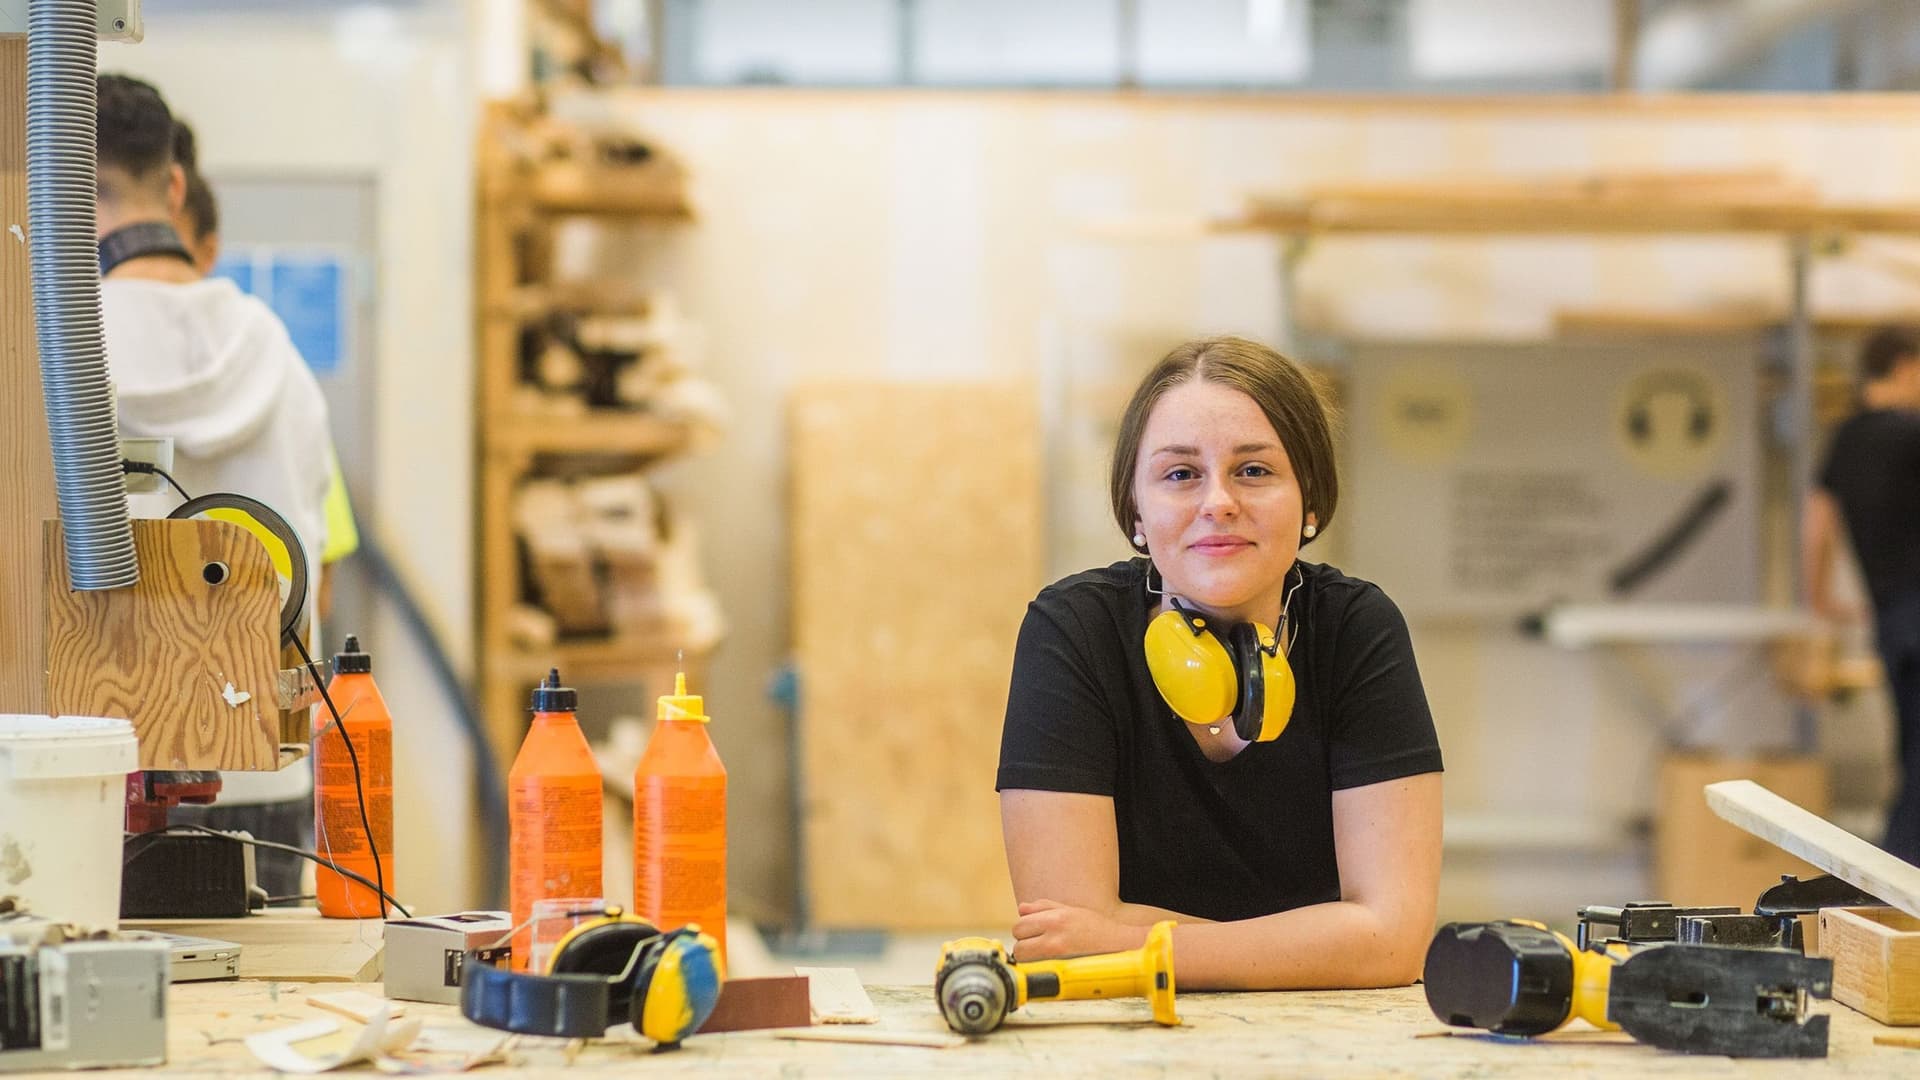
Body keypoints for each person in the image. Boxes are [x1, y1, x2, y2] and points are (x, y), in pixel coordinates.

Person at [997, 336, 1443, 990]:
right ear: (1136, 510)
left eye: (1254, 470)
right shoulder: (1072, 631)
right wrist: (1324, 945)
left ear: (1311, 500)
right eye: (1181, 474)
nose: (1218, 503)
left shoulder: (1357, 629)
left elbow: (1393, 942)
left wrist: (1122, 942)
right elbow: (1064, 934)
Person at [97, 73, 336, 896]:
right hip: (266, 770)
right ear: (174, 187)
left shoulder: (50, 349)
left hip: (94, 781)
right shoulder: (276, 350)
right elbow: (314, 571)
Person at [1804, 325, 1920, 863]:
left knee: (1910, 745)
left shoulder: (1845, 439)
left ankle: (1902, 855)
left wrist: (1819, 597)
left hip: (1891, 619)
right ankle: (1904, 858)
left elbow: (1817, 524)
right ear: (1904, 366)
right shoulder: (1911, 434)